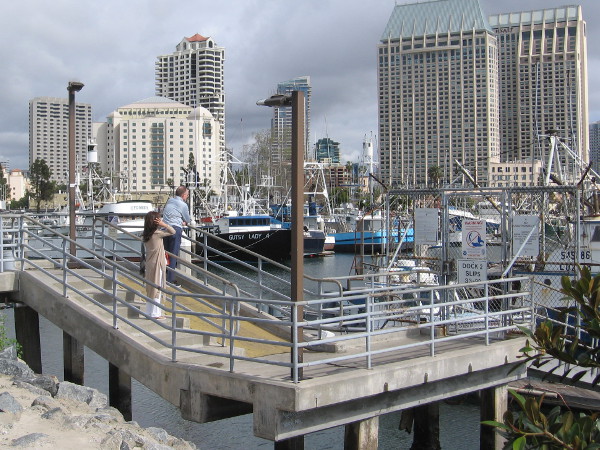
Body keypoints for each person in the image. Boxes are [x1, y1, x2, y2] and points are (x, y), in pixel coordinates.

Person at [142, 211, 175, 319]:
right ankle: (156, 314)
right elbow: (172, 231)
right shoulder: (157, 233)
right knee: (157, 288)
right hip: (157, 264)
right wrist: (164, 224)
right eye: (158, 219)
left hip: (150, 263)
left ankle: (149, 312)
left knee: (151, 288)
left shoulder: (146, 234)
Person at [162, 186, 191, 286]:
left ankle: (163, 275)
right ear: (183, 195)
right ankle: (170, 280)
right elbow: (187, 219)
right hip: (175, 229)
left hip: (165, 228)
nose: (187, 196)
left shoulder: (170, 200)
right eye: (187, 194)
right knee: (173, 254)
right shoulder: (183, 205)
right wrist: (184, 222)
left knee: (166, 254)